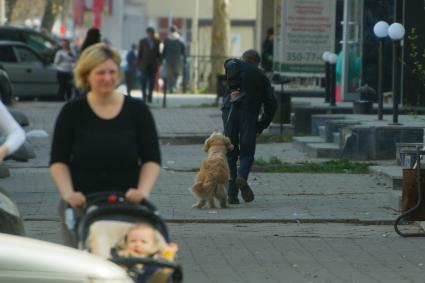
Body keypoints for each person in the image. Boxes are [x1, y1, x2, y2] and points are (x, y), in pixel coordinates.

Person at [49, 43, 161, 245]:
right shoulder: (72, 112)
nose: (107, 78)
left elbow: (151, 159)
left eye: (112, 72)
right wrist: (68, 193)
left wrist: (142, 192)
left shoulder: (138, 111)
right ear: (86, 75)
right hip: (81, 203)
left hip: (127, 202)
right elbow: (58, 160)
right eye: (100, 72)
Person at [222, 49, 277, 204]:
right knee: (247, 152)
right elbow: (272, 104)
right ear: (257, 62)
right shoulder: (262, 76)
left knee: (231, 152)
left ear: (244, 58)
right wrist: (261, 125)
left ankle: (231, 194)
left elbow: (228, 62)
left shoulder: (235, 66)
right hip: (250, 116)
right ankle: (242, 176)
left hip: (230, 112)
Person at [137, 27, 160, 102]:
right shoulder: (142, 41)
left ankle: (150, 96)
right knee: (143, 80)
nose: (151, 35)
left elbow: (158, 53)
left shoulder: (157, 41)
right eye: (150, 33)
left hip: (153, 65)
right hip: (144, 64)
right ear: (147, 33)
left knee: (152, 81)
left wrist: (159, 61)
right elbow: (139, 53)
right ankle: (144, 96)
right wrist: (138, 64)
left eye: (152, 33)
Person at [162, 26, 186, 93]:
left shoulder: (167, 39)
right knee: (177, 73)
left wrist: (161, 59)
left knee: (169, 74)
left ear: (170, 31)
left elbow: (164, 50)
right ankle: (174, 86)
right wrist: (185, 59)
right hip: (178, 59)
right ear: (176, 30)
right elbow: (183, 50)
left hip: (168, 58)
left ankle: (170, 88)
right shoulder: (180, 39)